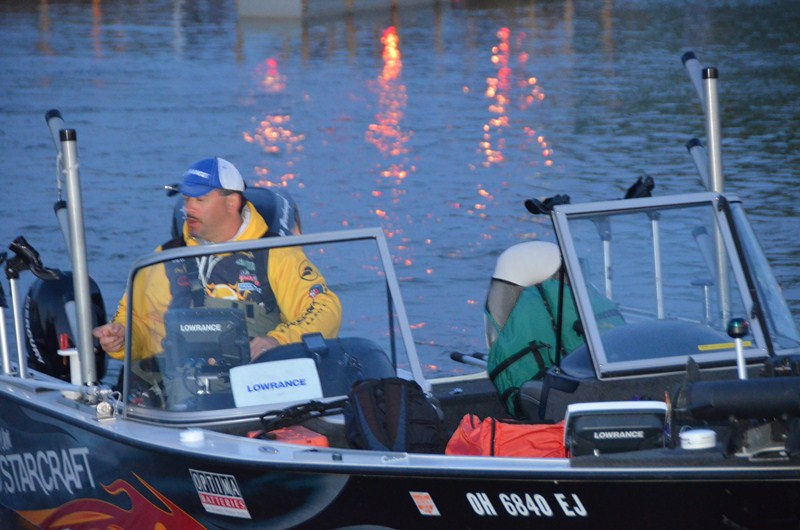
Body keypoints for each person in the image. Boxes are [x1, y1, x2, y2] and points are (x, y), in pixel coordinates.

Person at [93, 157, 342, 366]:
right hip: (183, 392)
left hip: (260, 386)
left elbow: (324, 309)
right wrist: (121, 337)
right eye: (186, 199)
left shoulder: (275, 253)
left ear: (231, 202)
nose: (188, 208)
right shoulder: (165, 257)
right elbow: (140, 325)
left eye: (199, 200)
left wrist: (278, 341)